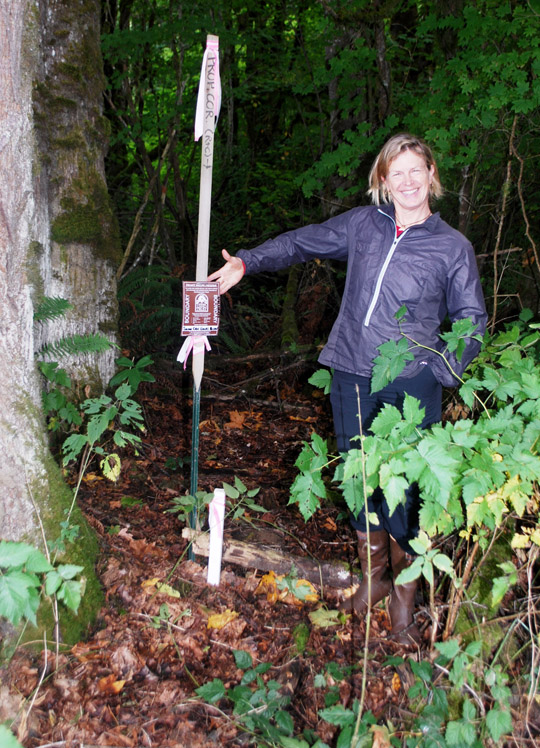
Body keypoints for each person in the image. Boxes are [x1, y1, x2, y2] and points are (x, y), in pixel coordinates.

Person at [208, 133, 487, 646]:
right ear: (383, 179)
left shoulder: (453, 247)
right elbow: (302, 240)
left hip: (411, 385)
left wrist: (444, 369)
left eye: (415, 171)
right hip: (351, 371)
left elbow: (472, 318)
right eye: (395, 172)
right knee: (358, 475)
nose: (406, 181)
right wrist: (247, 261)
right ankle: (373, 578)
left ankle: (405, 595)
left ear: (431, 175)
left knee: (402, 489)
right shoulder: (363, 226)